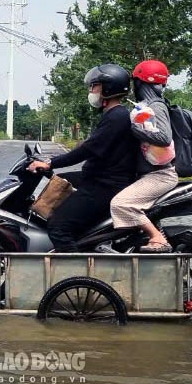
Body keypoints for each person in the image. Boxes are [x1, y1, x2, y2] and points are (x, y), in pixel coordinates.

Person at [27, 64, 138, 252]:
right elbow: (91, 147)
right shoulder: (113, 114)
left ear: (108, 88)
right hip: (100, 178)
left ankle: (76, 278)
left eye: (95, 86)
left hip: (105, 186)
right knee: (62, 180)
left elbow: (88, 149)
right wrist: (50, 165)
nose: (91, 91)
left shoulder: (117, 116)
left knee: (58, 228)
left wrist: (51, 163)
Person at [109, 60, 178, 252]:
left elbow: (164, 138)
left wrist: (134, 130)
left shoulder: (156, 106)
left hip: (160, 175)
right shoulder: (145, 106)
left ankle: (158, 238)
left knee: (121, 204)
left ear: (140, 83)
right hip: (149, 173)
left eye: (136, 82)